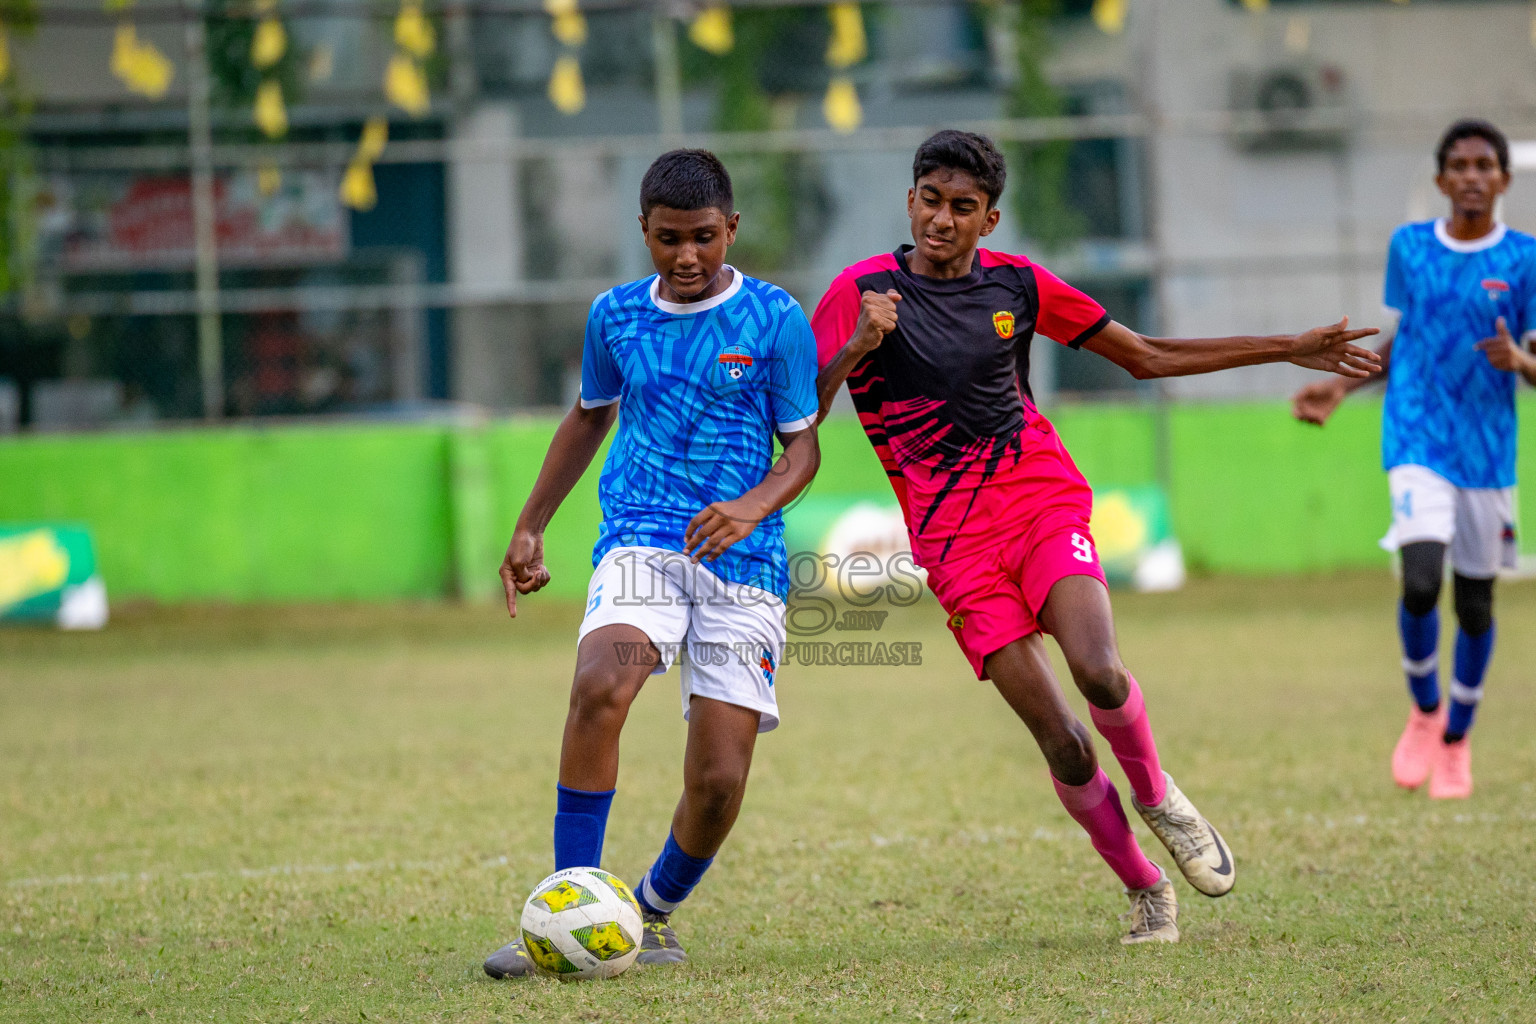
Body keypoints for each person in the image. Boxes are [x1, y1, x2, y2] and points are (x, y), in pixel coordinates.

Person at [812, 130, 1379, 944]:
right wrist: (859, 346)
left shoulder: (1019, 286)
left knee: (1100, 671)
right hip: (952, 544)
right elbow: (802, 408)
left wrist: (1289, 347)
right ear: (910, 201)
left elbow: (1143, 356)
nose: (943, 219)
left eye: (962, 207)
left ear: (990, 219)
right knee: (1065, 745)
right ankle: (1146, 887)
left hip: (1037, 499)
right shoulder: (857, 293)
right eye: (930, 201)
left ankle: (1160, 799)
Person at [483, 149, 820, 976]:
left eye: (704, 237)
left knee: (717, 782)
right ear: (643, 231)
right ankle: (568, 909)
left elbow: (803, 451)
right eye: (668, 239)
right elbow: (588, 417)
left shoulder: (776, 318)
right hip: (642, 538)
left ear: (731, 229)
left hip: (746, 563)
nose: (687, 256)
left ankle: (649, 912)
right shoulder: (616, 316)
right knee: (602, 683)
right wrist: (531, 525)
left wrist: (751, 506)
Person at [1292, 118, 1536, 800]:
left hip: (1488, 451)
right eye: (1458, 165)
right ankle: (1425, 710)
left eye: (1484, 165)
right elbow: (1408, 337)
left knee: (1479, 606)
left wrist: (1520, 360)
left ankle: (1458, 739)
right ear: (1440, 180)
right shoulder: (1410, 247)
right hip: (1416, 433)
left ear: (1503, 180)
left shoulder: (1524, 258)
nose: (1471, 176)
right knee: (1423, 580)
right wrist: (1342, 385)